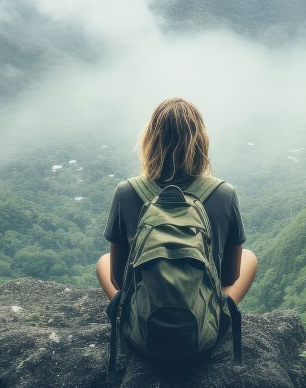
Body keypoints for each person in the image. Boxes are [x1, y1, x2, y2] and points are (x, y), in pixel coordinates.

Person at [96, 97, 258, 305]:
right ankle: (218, 316)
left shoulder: (126, 191)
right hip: (201, 329)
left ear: (151, 140)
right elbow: (229, 277)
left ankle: (129, 318)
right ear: (201, 141)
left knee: (103, 261)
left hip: (145, 328)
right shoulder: (224, 193)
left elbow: (118, 280)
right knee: (249, 257)